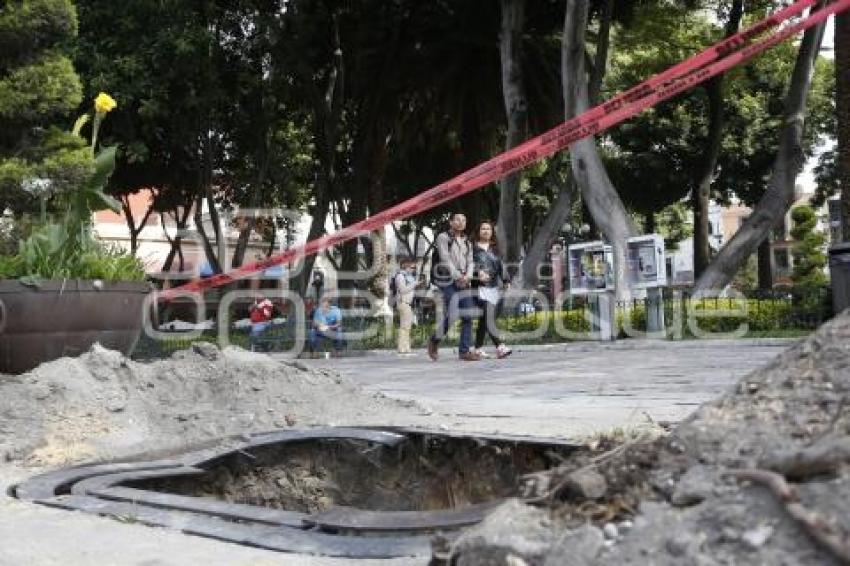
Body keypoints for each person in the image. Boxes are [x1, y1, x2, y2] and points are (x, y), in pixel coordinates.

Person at [427, 212, 479, 361]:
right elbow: (445, 259)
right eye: (457, 220)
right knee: (454, 313)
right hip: (448, 280)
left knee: (468, 316)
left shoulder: (468, 241)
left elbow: (470, 261)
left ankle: (464, 351)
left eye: (464, 220)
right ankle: (434, 340)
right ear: (451, 222)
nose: (461, 222)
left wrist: (467, 276)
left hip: (464, 280)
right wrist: (458, 276)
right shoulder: (443, 237)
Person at [472, 221, 512, 359]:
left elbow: (501, 265)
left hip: (493, 287)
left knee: (484, 319)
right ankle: (500, 346)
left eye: (488, 229)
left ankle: (477, 348)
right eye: (483, 228)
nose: (486, 231)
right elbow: (468, 265)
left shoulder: (495, 249)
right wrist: (477, 274)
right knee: (488, 316)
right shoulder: (472, 249)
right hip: (479, 287)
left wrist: (506, 280)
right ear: (478, 231)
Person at [394, 259, 418, 355]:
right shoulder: (400, 276)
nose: (413, 270)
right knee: (404, 327)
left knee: (407, 326)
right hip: (403, 302)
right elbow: (403, 290)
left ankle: (406, 347)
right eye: (412, 267)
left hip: (407, 303)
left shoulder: (408, 277)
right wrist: (414, 284)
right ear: (405, 266)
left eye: (414, 268)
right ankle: (402, 348)